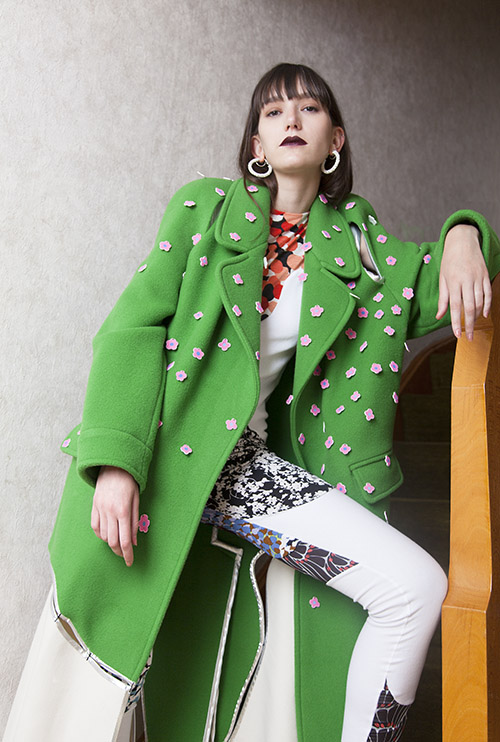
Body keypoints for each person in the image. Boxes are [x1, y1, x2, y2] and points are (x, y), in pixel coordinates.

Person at [5, 63, 500, 742]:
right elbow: (131, 330)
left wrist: (466, 232)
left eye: (308, 108)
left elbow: (437, 278)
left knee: (413, 586)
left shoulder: (358, 242)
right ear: (256, 145)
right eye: (273, 112)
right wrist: (116, 462)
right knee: (97, 689)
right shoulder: (203, 211)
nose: (291, 119)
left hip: (245, 468)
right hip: (169, 454)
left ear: (335, 141)